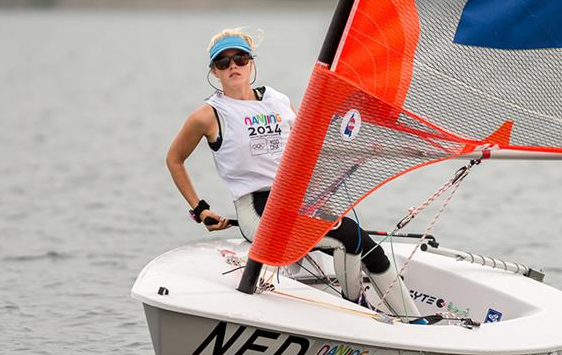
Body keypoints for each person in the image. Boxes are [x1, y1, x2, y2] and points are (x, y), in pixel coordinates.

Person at [166, 29, 421, 321]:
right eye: (223, 63)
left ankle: (418, 322)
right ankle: (356, 312)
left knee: (366, 244)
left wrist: (361, 149)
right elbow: (174, 160)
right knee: (347, 240)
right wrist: (200, 209)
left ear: (251, 63)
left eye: (240, 58)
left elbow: (308, 148)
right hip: (257, 209)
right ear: (214, 71)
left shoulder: (278, 101)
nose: (232, 66)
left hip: (297, 199)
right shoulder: (209, 115)